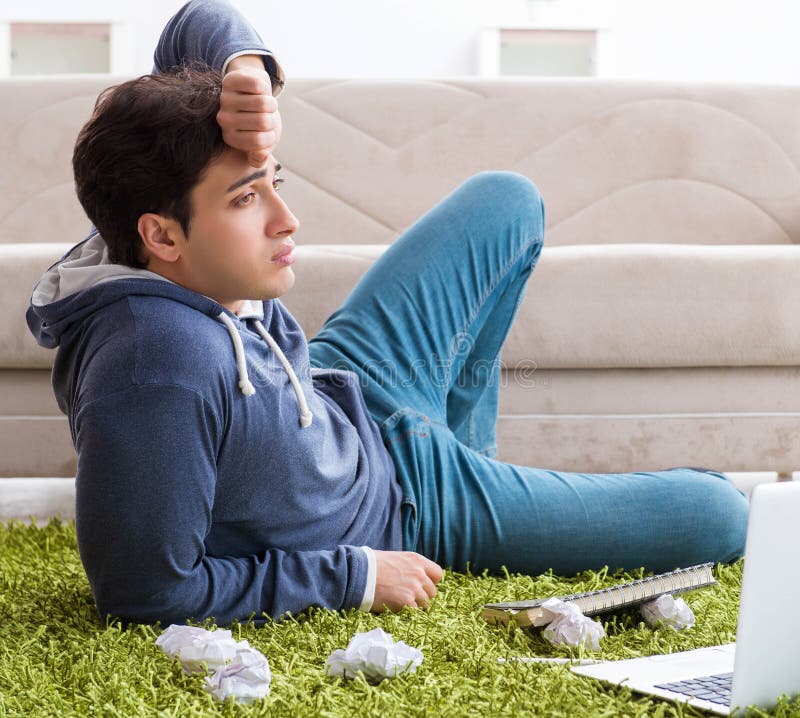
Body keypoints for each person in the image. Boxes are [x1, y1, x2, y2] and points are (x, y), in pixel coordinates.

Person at [26, 0, 748, 627]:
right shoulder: (156, 364)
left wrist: (245, 73)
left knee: (508, 200)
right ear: (162, 236)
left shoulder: (137, 223)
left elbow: (201, 22)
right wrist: (361, 575)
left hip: (354, 387)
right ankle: (479, 501)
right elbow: (146, 591)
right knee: (720, 513)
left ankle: (476, 460)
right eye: (248, 198)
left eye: (275, 183)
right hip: (406, 505)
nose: (288, 219)